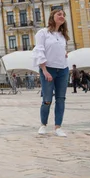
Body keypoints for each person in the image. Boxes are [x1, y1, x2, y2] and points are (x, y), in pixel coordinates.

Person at [32, 9, 70, 137]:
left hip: (63, 69)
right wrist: (44, 70)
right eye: (59, 14)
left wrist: (63, 53)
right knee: (47, 99)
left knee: (61, 99)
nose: (62, 16)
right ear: (52, 16)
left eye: (63, 15)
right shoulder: (43, 33)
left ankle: (58, 127)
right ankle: (43, 125)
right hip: (48, 69)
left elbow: (59, 49)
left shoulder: (62, 35)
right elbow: (39, 51)